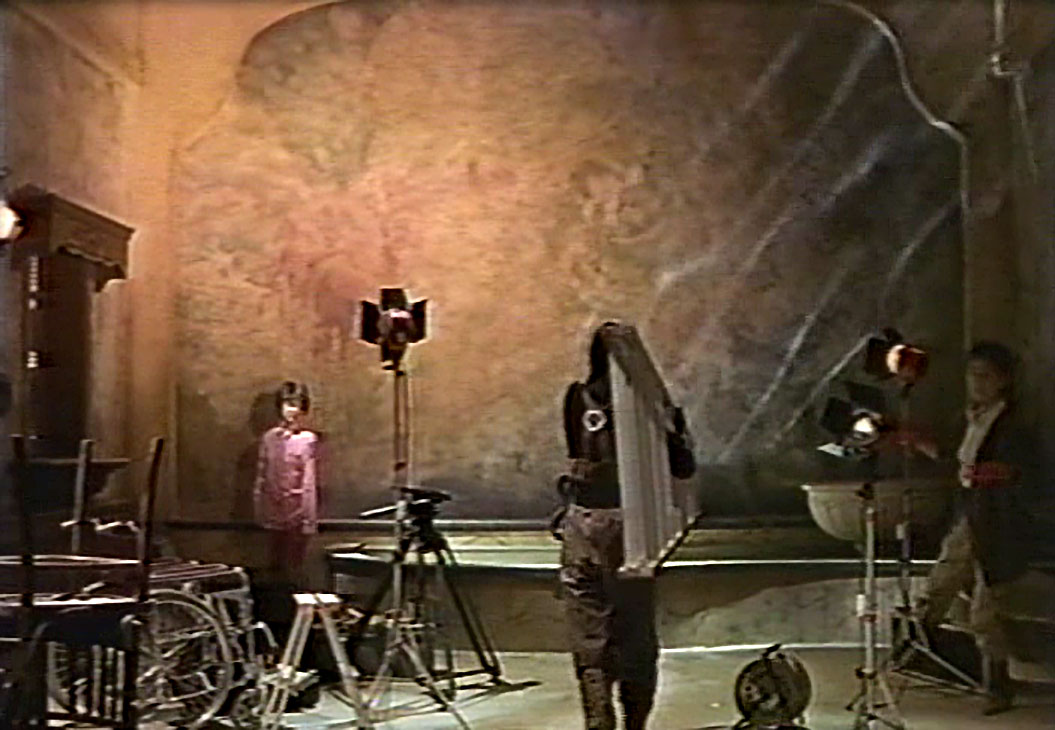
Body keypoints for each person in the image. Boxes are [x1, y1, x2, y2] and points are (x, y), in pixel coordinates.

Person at [553, 322, 696, 730]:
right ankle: (634, 723)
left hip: (582, 524)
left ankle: (599, 721)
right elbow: (683, 467)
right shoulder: (652, 409)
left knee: (589, 633)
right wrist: (673, 429)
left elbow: (578, 452)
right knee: (635, 636)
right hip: (630, 531)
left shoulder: (577, 398)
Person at [904, 341, 1035, 715]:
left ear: (1003, 381)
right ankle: (916, 652)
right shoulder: (967, 419)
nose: (976, 383)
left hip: (998, 522)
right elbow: (955, 457)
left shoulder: (1012, 425)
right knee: (940, 582)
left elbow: (1019, 470)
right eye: (972, 374)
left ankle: (997, 685)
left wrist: (995, 474)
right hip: (969, 514)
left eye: (985, 376)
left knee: (985, 609)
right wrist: (916, 441)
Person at [254, 381, 320, 580]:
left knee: (294, 567)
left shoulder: (307, 439)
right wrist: (259, 509)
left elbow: (309, 480)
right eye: (288, 404)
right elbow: (261, 475)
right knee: (273, 565)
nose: (292, 410)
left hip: (296, 514)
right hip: (272, 511)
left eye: (297, 405)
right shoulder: (269, 438)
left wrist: (309, 520)